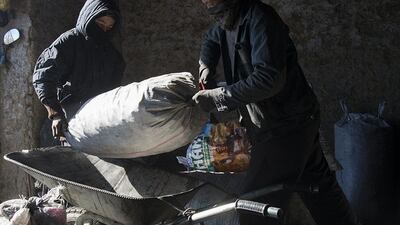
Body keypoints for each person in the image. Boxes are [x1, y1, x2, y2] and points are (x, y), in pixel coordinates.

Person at [192, 0, 357, 224]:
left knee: (254, 208)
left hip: (287, 126)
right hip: (291, 120)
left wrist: (217, 97)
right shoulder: (229, 17)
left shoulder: (261, 19)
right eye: (208, 6)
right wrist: (206, 66)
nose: (212, 11)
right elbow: (212, 37)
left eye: (217, 7)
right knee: (319, 189)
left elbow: (269, 79)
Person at [32, 0, 125, 141]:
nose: (103, 30)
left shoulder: (112, 55)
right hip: (67, 118)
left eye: (109, 27)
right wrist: (56, 114)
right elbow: (43, 77)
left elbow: (114, 92)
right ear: (89, 17)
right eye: (100, 24)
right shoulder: (69, 42)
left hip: (97, 120)